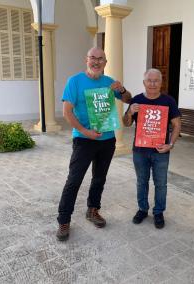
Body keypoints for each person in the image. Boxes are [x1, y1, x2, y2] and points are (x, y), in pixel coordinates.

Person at [56, 47, 132, 241]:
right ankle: (64, 220)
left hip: (107, 140)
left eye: (101, 59)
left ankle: (93, 210)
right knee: (74, 180)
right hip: (84, 140)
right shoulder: (75, 81)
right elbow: (67, 112)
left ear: (105, 63)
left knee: (99, 178)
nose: (96, 62)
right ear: (86, 59)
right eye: (93, 58)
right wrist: (85, 131)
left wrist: (122, 89)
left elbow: (128, 99)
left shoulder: (108, 82)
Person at [123, 68, 181, 229]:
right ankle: (142, 209)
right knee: (142, 182)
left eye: (156, 81)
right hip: (140, 151)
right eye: (150, 80)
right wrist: (129, 112)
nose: (153, 84)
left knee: (161, 184)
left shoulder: (169, 101)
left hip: (161, 151)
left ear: (161, 83)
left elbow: (177, 125)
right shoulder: (137, 100)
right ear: (144, 82)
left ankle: (158, 212)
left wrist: (171, 144)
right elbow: (126, 123)